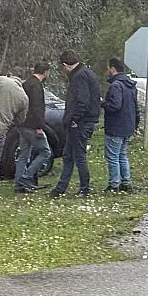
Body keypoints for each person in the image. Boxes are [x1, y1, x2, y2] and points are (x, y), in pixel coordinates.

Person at [50, 50, 100, 198]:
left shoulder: (79, 77)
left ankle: (85, 188)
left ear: (65, 65)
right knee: (68, 156)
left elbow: (82, 101)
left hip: (80, 123)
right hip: (84, 121)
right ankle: (61, 187)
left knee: (79, 156)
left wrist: (74, 119)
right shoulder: (87, 73)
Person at [0, 73, 30, 199]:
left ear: (10, 75)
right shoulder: (24, 97)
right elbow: (20, 121)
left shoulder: (1, 81)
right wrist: (8, 121)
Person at [101, 57, 138, 193]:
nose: (107, 72)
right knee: (122, 155)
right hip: (128, 125)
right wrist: (136, 124)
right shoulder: (131, 85)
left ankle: (114, 184)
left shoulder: (115, 85)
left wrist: (103, 103)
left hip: (116, 126)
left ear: (112, 69)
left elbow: (115, 106)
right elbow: (135, 107)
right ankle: (126, 181)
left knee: (112, 156)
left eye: (108, 69)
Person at [15, 62, 52, 193]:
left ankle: (19, 184)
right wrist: (39, 126)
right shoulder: (36, 86)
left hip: (22, 124)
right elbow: (37, 108)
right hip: (32, 125)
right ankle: (26, 177)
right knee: (45, 152)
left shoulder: (26, 83)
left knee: (24, 154)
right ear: (45, 72)